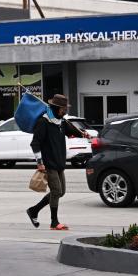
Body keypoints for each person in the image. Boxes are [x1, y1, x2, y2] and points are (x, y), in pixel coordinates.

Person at [26, 94, 86, 231]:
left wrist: (83, 133)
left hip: (59, 163)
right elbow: (35, 144)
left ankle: (34, 210)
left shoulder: (62, 122)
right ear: (56, 108)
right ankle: (54, 222)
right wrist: (39, 162)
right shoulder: (44, 122)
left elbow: (73, 132)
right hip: (49, 164)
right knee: (56, 190)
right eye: (63, 108)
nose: (65, 110)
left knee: (61, 192)